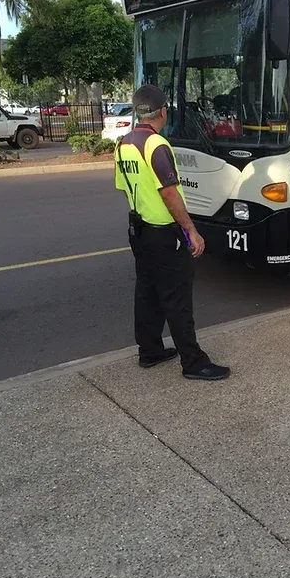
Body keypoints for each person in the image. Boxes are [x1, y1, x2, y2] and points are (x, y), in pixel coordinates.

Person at [115, 84, 230, 380]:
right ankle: (193, 362)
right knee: (177, 298)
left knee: (147, 292)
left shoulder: (123, 143)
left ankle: (150, 350)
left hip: (138, 228)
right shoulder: (157, 146)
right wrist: (191, 230)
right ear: (163, 112)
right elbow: (169, 193)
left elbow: (125, 188)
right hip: (164, 233)